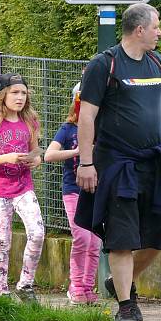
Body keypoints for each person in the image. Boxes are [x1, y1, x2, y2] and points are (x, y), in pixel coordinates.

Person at [75, 3, 161, 321]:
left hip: (151, 162)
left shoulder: (157, 62)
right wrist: (86, 162)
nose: (160, 33)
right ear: (139, 29)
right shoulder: (105, 64)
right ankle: (126, 307)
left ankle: (122, 282)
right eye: (156, 27)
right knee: (121, 236)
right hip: (116, 162)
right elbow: (87, 115)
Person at [0, 73, 44, 303]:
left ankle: (25, 284)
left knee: (37, 233)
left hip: (24, 187)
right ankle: (1, 292)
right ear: (2, 95)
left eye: (23, 93)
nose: (20, 97)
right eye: (15, 92)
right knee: (2, 241)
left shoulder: (30, 122)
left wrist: (34, 160)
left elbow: (37, 154)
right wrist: (6, 157)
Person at [44, 84, 102, 305]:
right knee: (82, 237)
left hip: (97, 191)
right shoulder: (68, 129)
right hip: (74, 192)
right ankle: (75, 286)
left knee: (95, 241)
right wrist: (78, 152)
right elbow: (49, 155)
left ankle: (87, 288)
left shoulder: (101, 127)